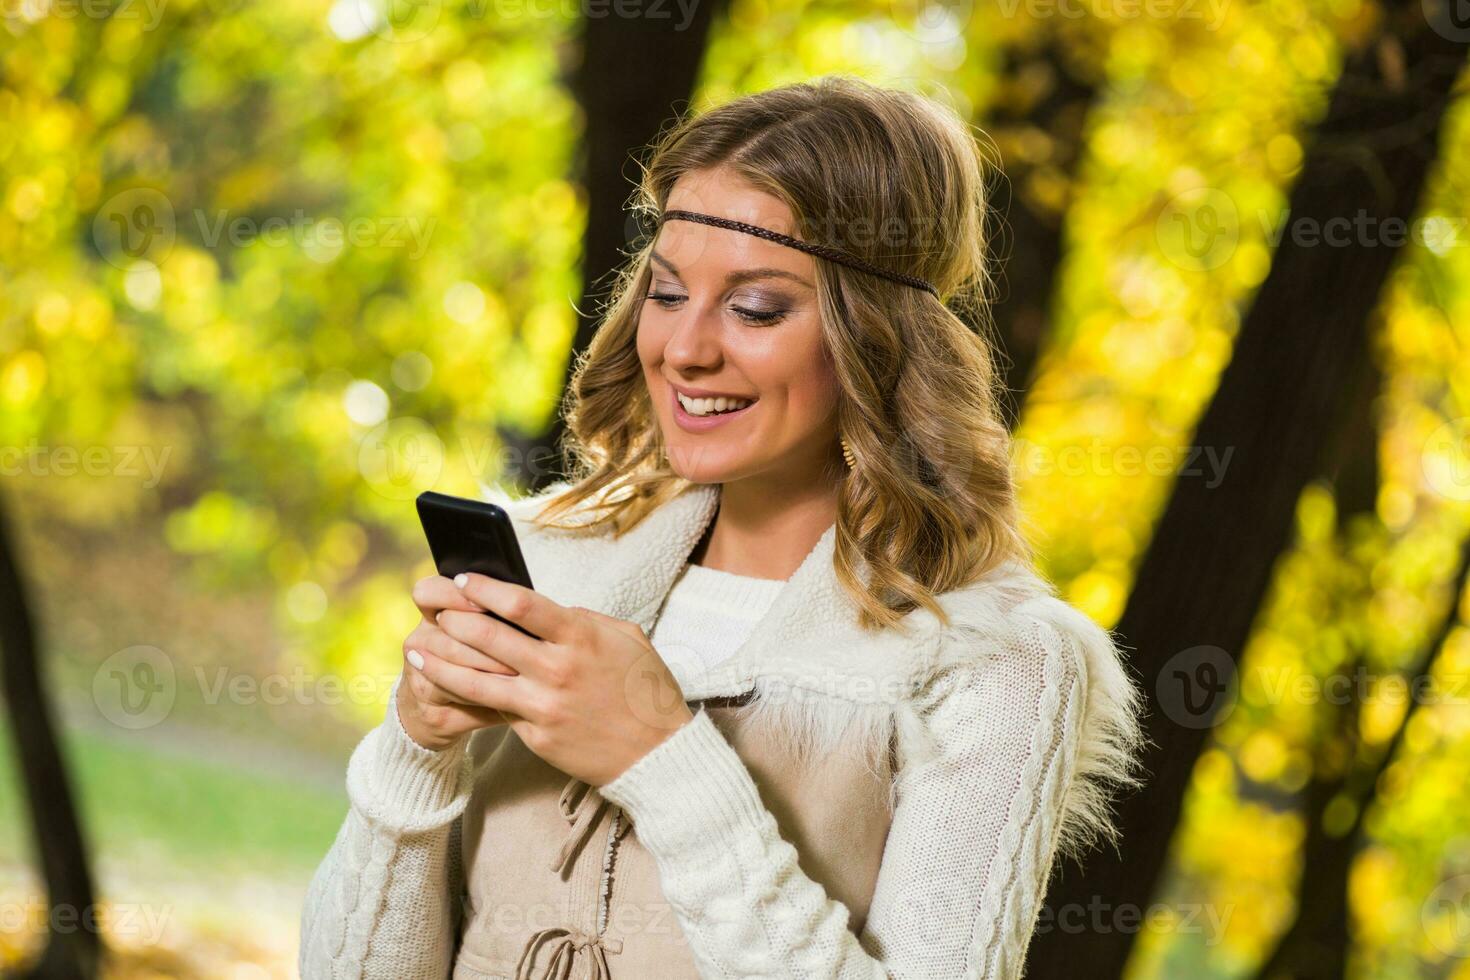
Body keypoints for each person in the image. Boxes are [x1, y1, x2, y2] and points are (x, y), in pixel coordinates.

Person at [299, 74, 1146, 980]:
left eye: (754, 308)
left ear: (878, 337)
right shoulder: (550, 571)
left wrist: (661, 757)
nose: (687, 348)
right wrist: (414, 752)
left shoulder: (989, 664)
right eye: (666, 295)